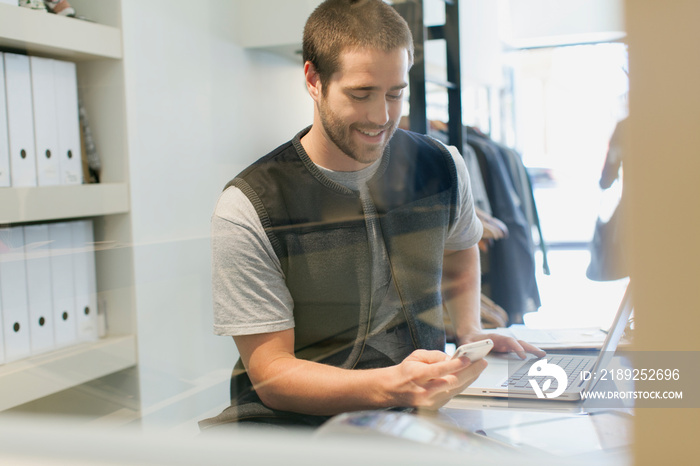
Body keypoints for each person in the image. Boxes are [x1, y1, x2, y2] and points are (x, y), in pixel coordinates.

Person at [200, 0, 544, 431]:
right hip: (296, 433)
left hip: (415, 416)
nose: (381, 117)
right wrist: (395, 385)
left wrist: (470, 329)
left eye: (395, 94)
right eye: (361, 94)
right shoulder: (250, 206)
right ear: (313, 79)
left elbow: (461, 246)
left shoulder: (442, 165)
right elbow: (273, 376)